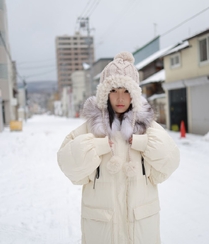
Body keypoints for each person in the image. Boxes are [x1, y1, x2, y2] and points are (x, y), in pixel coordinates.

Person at [57, 52, 180, 244]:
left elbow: (170, 161)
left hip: (140, 229)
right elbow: (67, 163)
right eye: (114, 90)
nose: (120, 97)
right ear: (105, 93)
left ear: (135, 94)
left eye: (126, 90)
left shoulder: (148, 128)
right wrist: (96, 146)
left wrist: (144, 143)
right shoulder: (92, 128)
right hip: (103, 230)